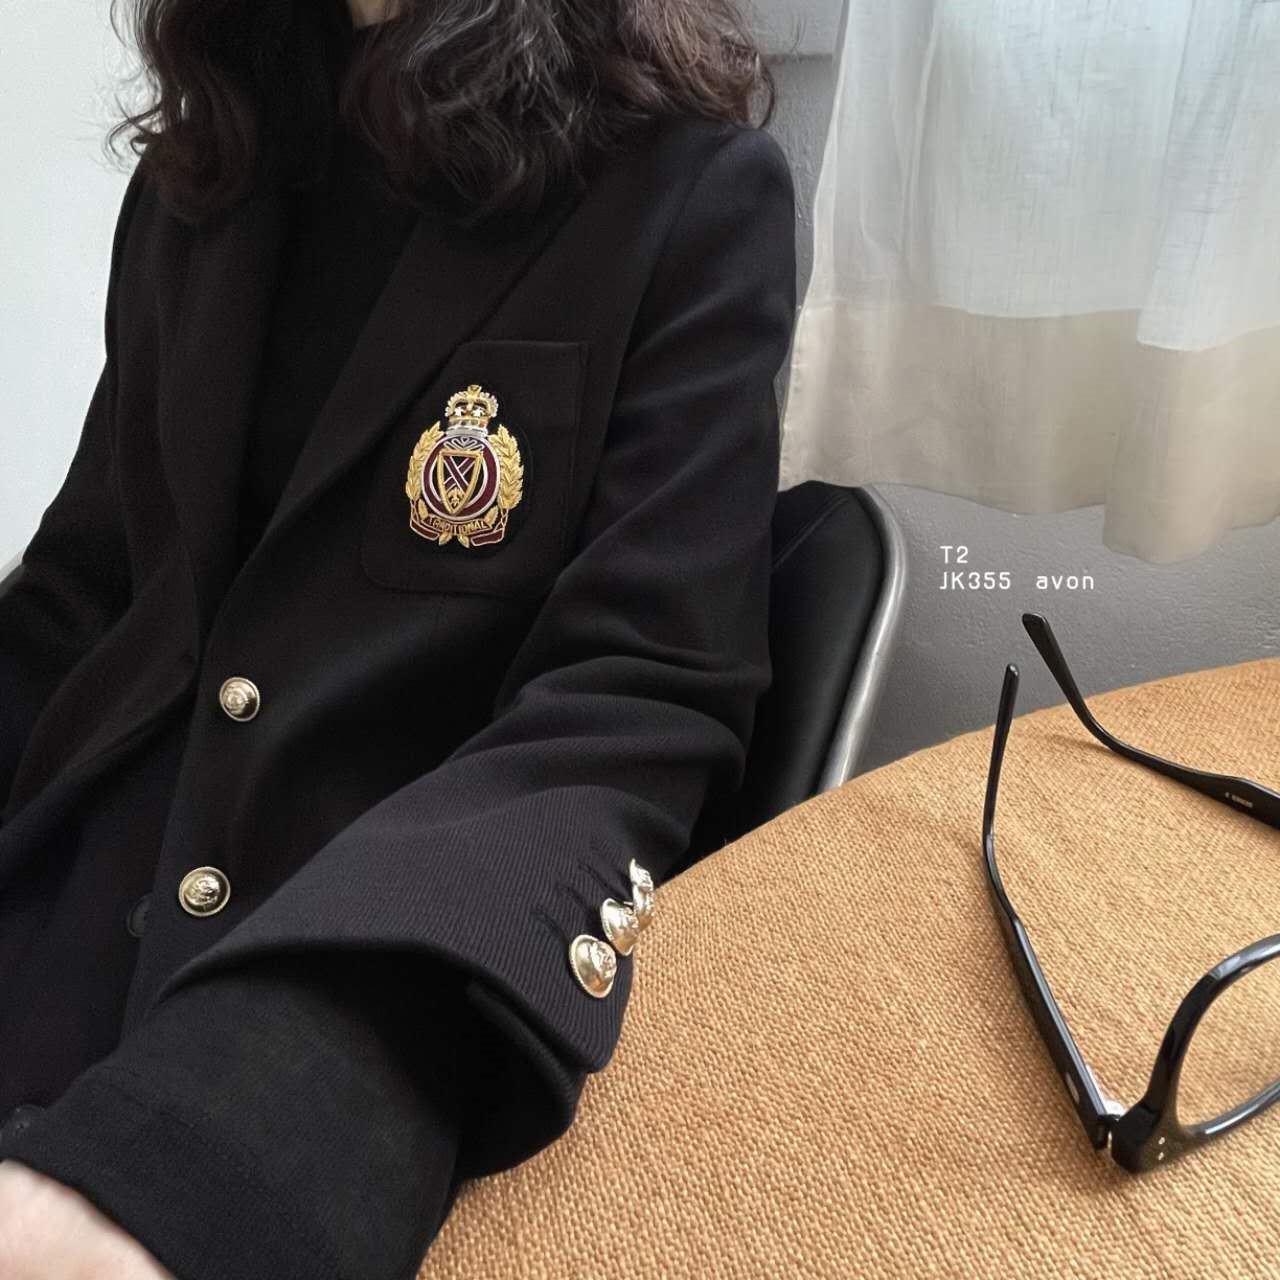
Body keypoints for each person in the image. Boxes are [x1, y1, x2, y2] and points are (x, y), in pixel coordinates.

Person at [0, 0, 797, 1274]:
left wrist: (214, 1134)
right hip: (65, 909)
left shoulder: (689, 191)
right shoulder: (203, 174)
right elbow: (86, 590)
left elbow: (634, 709)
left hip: (358, 980)